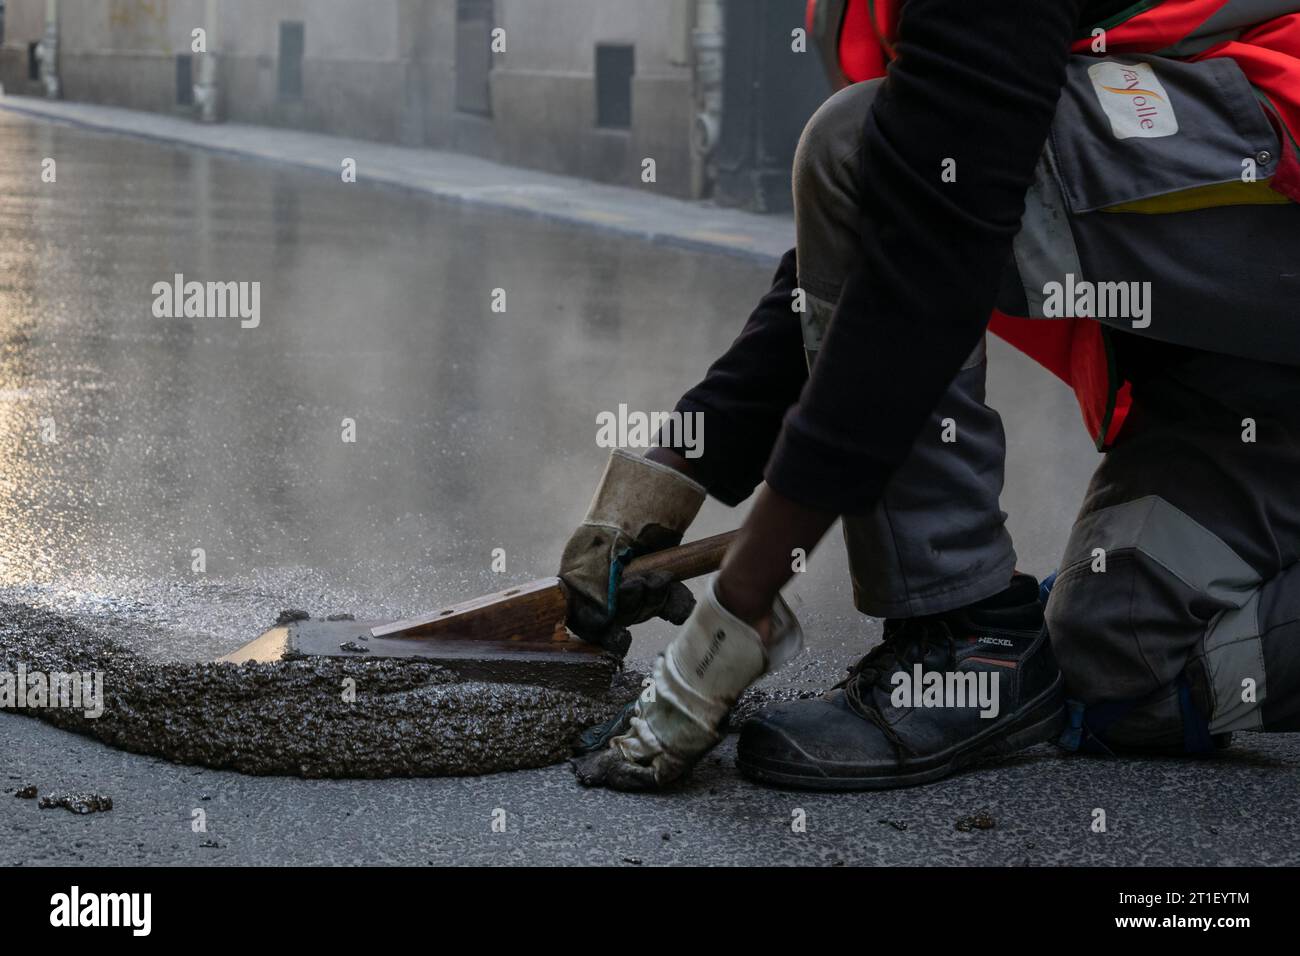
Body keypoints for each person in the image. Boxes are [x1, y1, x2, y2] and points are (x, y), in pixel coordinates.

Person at [562, 0, 1300, 791]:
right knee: (1124, 667)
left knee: (853, 141)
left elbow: (922, 252)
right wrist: (663, 485)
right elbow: (878, 242)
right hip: (1252, 369)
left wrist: (736, 613)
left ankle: (963, 639)